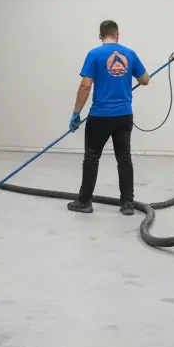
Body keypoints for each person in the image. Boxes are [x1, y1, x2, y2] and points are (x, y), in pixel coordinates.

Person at [67, 19, 149, 215]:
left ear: (100, 36)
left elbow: (85, 86)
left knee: (92, 157)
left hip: (100, 116)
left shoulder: (94, 54)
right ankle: (127, 204)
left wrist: (76, 113)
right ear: (117, 34)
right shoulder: (129, 54)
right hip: (124, 115)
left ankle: (84, 202)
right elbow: (145, 79)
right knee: (124, 159)